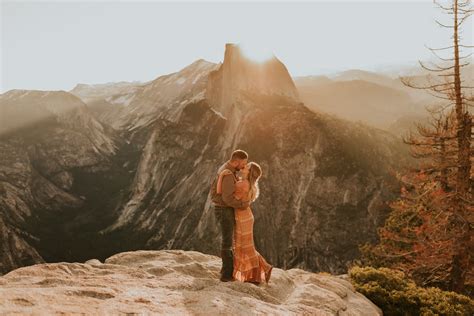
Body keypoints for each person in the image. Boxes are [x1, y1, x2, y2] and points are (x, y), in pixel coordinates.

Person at [210, 149, 251, 282]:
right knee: (227, 241)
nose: (244, 166)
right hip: (224, 209)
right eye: (243, 163)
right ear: (236, 161)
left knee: (227, 240)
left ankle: (225, 271)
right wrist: (243, 205)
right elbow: (228, 198)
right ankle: (226, 275)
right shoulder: (228, 174)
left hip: (222, 208)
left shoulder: (227, 169)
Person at [229, 162, 272, 285]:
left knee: (243, 247)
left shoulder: (242, 184)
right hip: (246, 216)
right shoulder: (248, 184)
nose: (243, 167)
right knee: (246, 246)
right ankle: (260, 270)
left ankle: (256, 273)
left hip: (242, 218)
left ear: (250, 172)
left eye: (246, 167)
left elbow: (229, 197)